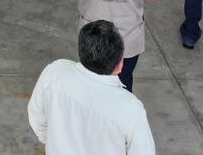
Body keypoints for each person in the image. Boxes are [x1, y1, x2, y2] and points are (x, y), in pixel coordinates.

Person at [27, 20, 156, 155]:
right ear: (120, 66)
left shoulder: (55, 71)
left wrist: (53, 144)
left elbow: (36, 116)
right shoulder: (131, 109)